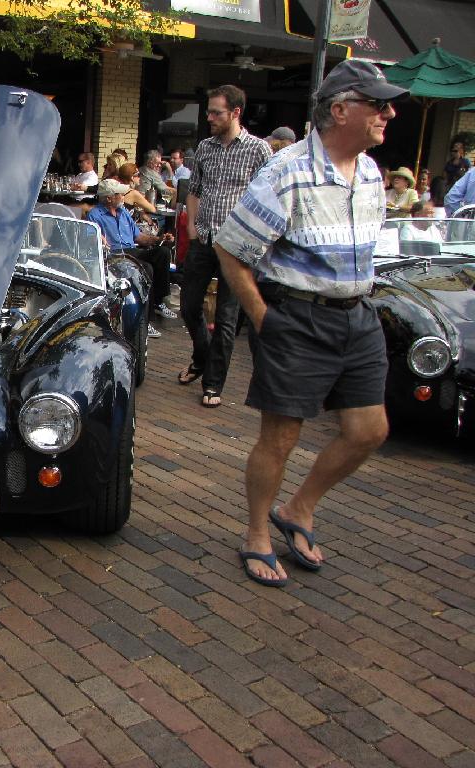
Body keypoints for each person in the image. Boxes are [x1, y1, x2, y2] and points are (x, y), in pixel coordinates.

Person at [214, 59, 407, 587]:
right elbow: (231, 249)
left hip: (358, 316)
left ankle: (299, 507)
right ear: (341, 110)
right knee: (280, 439)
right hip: (297, 318)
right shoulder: (287, 172)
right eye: (378, 104)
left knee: (370, 431)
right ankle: (256, 533)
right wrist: (263, 318)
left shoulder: (371, 172)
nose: (389, 113)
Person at [180, 84, 272, 408]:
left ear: (235, 113)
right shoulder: (205, 147)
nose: (209, 118)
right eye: (208, 112)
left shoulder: (259, 150)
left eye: (216, 112)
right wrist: (191, 226)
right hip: (204, 238)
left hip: (237, 246)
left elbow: (268, 199)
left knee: (227, 317)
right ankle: (202, 356)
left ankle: (213, 382)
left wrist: (255, 239)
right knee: (188, 306)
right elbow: (194, 190)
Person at [87, 178, 175, 338]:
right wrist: (99, 238)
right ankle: (145, 320)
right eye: (120, 194)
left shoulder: (123, 213)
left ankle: (158, 301)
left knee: (163, 253)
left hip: (132, 250)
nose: (123, 197)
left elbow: (139, 237)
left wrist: (159, 239)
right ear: (109, 198)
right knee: (146, 268)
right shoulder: (95, 215)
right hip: (114, 255)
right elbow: (92, 239)